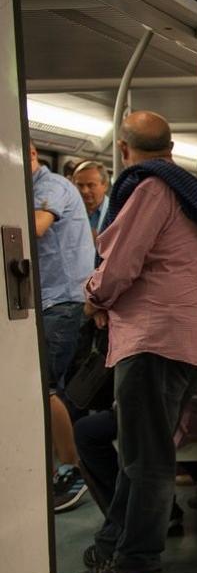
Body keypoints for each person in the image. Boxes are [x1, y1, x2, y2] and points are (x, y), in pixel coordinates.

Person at [78, 110, 197, 573]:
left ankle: (137, 560)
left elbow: (120, 265)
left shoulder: (150, 189)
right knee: (143, 453)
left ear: (124, 150)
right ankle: (113, 544)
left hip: (154, 340)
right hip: (183, 340)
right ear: (171, 148)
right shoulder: (182, 186)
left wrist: (92, 297)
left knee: (147, 460)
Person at [30, 143, 97, 512]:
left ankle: (72, 469)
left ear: (32, 153)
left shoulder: (51, 186)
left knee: (46, 388)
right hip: (45, 301)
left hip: (63, 300)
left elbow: (37, 227)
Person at [72, 160, 111, 238]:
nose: (84, 191)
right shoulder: (68, 210)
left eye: (91, 185)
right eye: (80, 185)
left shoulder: (117, 212)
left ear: (105, 186)